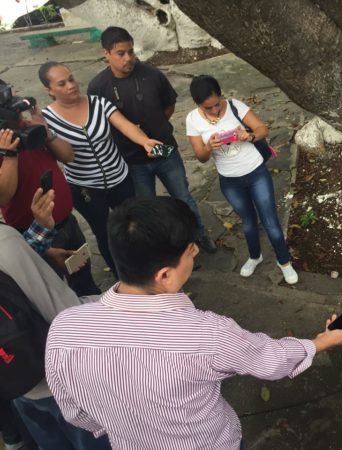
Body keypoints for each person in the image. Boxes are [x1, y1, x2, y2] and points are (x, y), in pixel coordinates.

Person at [45, 196, 342, 449]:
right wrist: (322, 341)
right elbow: (270, 359)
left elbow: (76, 413)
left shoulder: (64, 328)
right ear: (164, 275)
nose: (193, 260)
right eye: (190, 254)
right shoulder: (208, 334)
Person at [87, 26, 216, 255]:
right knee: (148, 209)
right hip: (132, 159)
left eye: (131, 51)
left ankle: (199, 234)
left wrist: (156, 128)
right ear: (106, 53)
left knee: (183, 196)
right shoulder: (98, 87)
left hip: (164, 150)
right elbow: (100, 123)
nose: (129, 58)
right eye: (121, 53)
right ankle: (166, 249)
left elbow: (169, 105)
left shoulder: (152, 74)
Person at [1, 189, 110, 450]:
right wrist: (123, 299)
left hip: (14, 383)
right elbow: (67, 316)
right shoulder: (5, 242)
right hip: (56, 384)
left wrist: (38, 246)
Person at [38, 61, 162, 274]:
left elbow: (124, 125)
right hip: (85, 187)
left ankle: (146, 268)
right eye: (62, 83)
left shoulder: (98, 103)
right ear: (50, 90)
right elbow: (61, 156)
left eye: (71, 78)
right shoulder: (46, 120)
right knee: (105, 233)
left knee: (133, 225)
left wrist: (144, 141)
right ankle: (122, 275)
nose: (71, 85)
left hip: (119, 178)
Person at [186, 75, 298, 284]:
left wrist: (249, 136)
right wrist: (209, 147)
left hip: (256, 172)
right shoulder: (192, 119)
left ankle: (284, 262)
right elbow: (200, 157)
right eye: (208, 108)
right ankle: (255, 256)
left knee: (271, 221)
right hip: (230, 180)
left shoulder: (235, 106)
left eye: (217, 104)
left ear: (221, 96)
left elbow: (262, 129)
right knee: (248, 222)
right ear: (198, 104)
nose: (215, 111)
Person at [0, 79, 99, 297]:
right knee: (55, 290)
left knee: (83, 277)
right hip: (36, 233)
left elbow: (68, 156)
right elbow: (3, 197)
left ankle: (93, 307)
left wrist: (47, 132)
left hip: (67, 222)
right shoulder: (4, 145)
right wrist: (9, 154)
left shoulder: (29, 129)